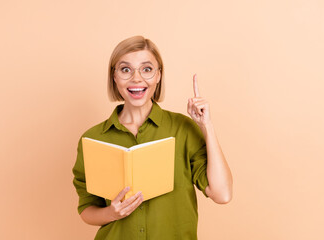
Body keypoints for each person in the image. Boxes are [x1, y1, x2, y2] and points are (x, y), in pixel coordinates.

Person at [72, 35, 233, 240]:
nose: (136, 78)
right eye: (125, 69)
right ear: (114, 76)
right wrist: (111, 213)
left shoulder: (183, 129)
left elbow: (222, 194)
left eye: (147, 69)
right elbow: (86, 209)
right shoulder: (93, 139)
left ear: (158, 75)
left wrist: (206, 126)